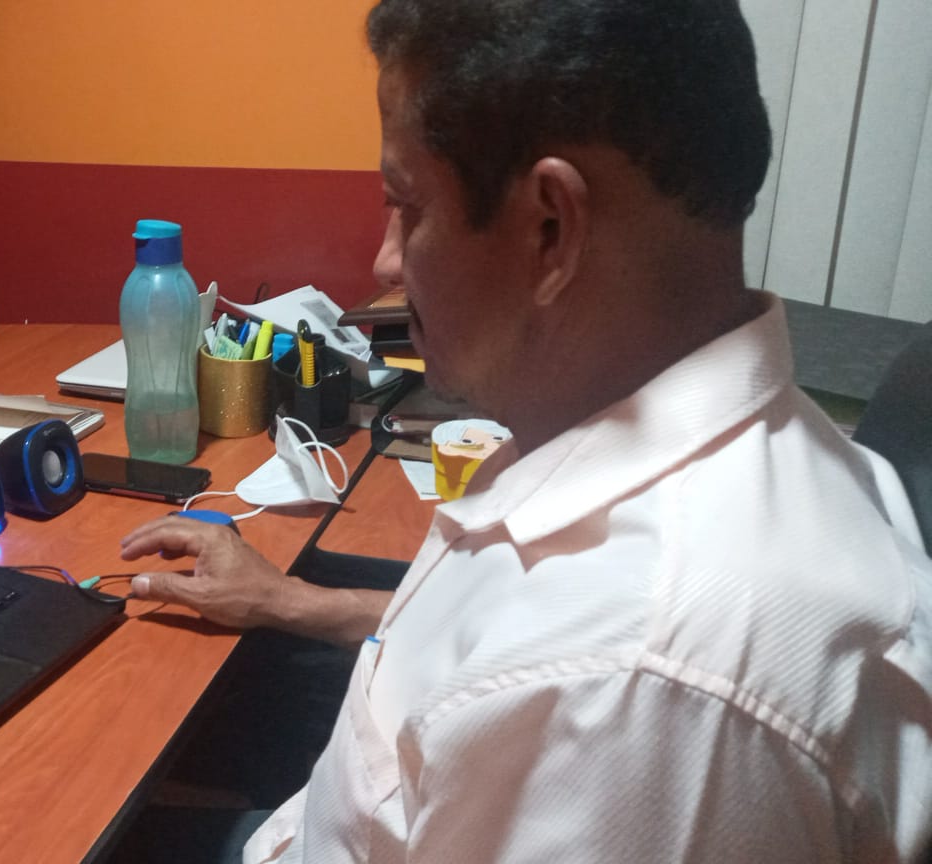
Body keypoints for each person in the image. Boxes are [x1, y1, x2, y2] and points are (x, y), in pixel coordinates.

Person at [118, 1, 932, 861]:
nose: (387, 262)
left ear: (551, 229)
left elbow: (562, 665)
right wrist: (292, 603)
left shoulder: (639, 685)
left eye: (405, 204)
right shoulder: (681, 448)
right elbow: (493, 640)